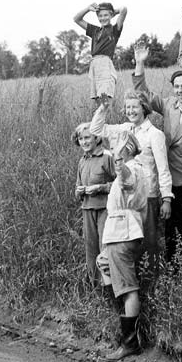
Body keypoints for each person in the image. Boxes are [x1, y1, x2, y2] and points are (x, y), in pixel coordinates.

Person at [132, 43, 182, 262]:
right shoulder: (169, 105)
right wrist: (140, 63)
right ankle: (173, 268)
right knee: (171, 229)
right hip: (167, 176)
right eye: (176, 87)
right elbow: (143, 94)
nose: (180, 90)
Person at [89, 89, 172, 264]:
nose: (130, 111)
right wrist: (103, 108)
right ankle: (136, 283)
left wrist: (166, 199)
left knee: (149, 242)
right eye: (127, 107)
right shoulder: (124, 129)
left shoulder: (154, 134)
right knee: (130, 242)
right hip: (125, 198)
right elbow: (96, 129)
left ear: (144, 108)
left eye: (134, 107)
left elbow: (163, 169)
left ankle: (152, 284)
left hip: (147, 196)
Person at [98, 132, 149, 361]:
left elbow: (125, 178)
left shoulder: (132, 169)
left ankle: (130, 342)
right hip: (120, 230)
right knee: (103, 263)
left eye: (118, 147)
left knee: (128, 286)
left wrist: (119, 162)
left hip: (123, 231)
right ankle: (122, 316)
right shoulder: (134, 168)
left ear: (126, 150)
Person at [73, 122, 115, 286]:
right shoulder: (82, 161)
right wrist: (80, 191)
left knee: (104, 248)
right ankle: (96, 288)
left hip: (105, 209)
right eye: (81, 138)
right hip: (87, 209)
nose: (84, 142)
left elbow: (120, 184)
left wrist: (101, 188)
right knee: (91, 250)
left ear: (97, 138)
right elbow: (77, 187)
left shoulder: (107, 157)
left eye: (87, 138)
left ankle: (111, 288)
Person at [73, 1, 127, 104]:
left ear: (111, 15)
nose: (103, 18)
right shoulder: (95, 30)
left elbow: (124, 10)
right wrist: (88, 8)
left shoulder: (115, 30)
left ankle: (106, 118)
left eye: (106, 15)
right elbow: (76, 19)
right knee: (97, 101)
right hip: (94, 65)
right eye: (100, 16)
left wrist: (113, 13)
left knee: (105, 99)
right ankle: (100, 120)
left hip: (105, 65)